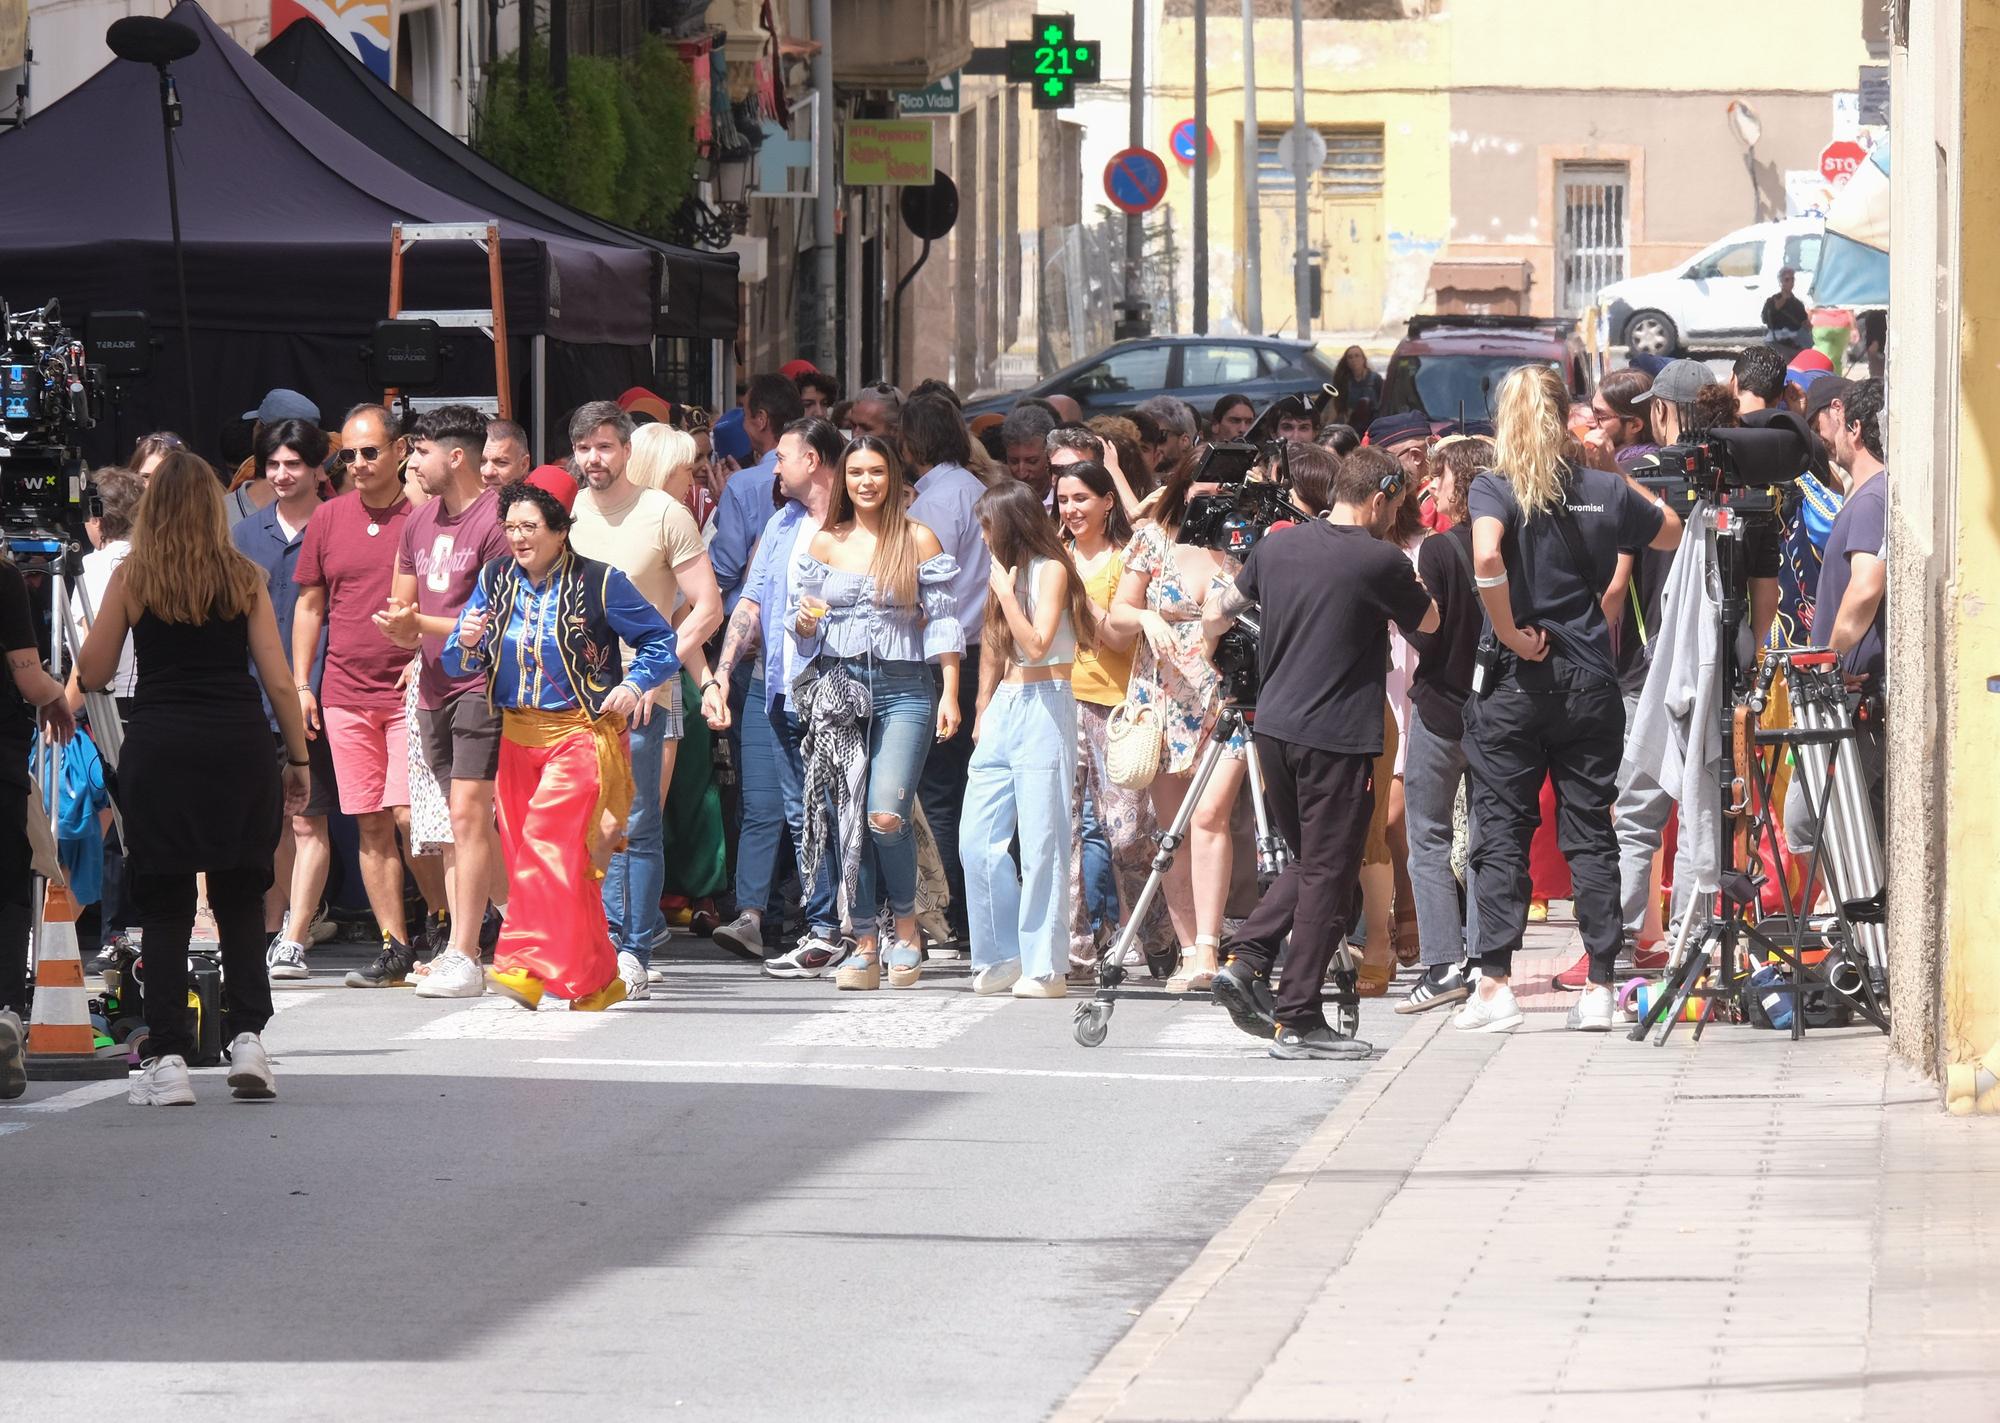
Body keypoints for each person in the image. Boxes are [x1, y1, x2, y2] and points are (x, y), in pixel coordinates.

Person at [1455, 365, 1683, 1036]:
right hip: (1588, 677)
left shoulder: (1493, 486)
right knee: (1590, 832)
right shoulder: (1601, 488)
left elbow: (1487, 556)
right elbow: (1667, 528)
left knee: (1502, 830)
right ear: (1567, 416)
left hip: (1515, 681)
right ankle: (1600, 985)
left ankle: (1494, 982)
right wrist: (1610, 466)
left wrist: (1505, 630)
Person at [81, 454, 308, 1105]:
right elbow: (278, 679)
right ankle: (248, 1041)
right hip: (236, 746)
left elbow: (94, 669)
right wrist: (297, 759)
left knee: (166, 903)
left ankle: (171, 1057)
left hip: (160, 747)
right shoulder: (244, 576)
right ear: (214, 507)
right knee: (240, 892)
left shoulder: (134, 576)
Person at [1203, 444, 1437, 1059]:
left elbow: (1223, 608)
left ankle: (1249, 964)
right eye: (1397, 504)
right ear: (1382, 496)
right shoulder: (1381, 559)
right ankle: (1295, 1013)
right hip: (1336, 735)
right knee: (1328, 871)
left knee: (1312, 865)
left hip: (1275, 726)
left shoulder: (1277, 545)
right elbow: (1432, 623)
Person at [442, 480, 679, 1011]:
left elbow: (661, 641)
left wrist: (636, 683)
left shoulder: (601, 582)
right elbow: (457, 666)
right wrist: (467, 640)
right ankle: (597, 980)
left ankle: (522, 963)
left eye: (530, 527)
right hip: (518, 741)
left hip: (581, 736)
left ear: (559, 529)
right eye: (511, 529)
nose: (519, 538)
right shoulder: (495, 578)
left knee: (545, 847)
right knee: (555, 863)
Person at [789, 435, 962, 991]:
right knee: (849, 819)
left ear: (893, 479)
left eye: (877, 472)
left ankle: (907, 932)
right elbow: (800, 625)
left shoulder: (917, 538)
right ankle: (864, 940)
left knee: (885, 814)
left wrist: (953, 691)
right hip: (840, 688)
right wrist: (807, 623)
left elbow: (943, 623)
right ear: (844, 480)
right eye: (857, 472)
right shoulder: (825, 542)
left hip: (905, 687)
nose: (866, 482)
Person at [567, 401, 723, 999]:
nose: (593, 458)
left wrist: (651, 673)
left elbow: (706, 608)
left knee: (634, 823)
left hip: (639, 695)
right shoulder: (571, 512)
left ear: (627, 451)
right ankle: (595, 943)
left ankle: (630, 948)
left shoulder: (664, 513)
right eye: (584, 448)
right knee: (582, 823)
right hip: (575, 698)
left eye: (604, 446)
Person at [367, 405, 512, 999]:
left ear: (456, 456)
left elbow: (497, 616)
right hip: (430, 687)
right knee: (457, 825)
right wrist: (401, 625)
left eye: (420, 451)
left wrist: (416, 625)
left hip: (481, 683)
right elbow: (404, 604)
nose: (412, 462)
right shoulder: (418, 521)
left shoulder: (498, 521)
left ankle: (464, 951)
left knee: (471, 815)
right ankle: (523, 928)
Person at [703, 417, 849, 975]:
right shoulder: (783, 523)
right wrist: (720, 674)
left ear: (812, 460)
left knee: (845, 808)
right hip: (779, 687)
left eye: (783, 457)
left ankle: (861, 924)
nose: (776, 467)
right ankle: (822, 927)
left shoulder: (856, 523)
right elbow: (751, 605)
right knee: (800, 811)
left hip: (839, 688)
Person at [293, 403, 421, 988]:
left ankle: (447, 930)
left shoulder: (423, 516)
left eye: (371, 451)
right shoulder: (328, 518)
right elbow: (310, 606)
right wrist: (301, 684)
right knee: (371, 822)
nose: (360, 463)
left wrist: (423, 655)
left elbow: (449, 599)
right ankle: (396, 945)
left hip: (408, 691)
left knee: (411, 817)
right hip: (343, 690)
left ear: (400, 450)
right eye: (349, 454)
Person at [1107, 457, 1246, 992]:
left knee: (1210, 816)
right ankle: (1190, 949)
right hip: (1160, 697)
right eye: (1204, 484)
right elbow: (1118, 615)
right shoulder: (1151, 540)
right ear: (1182, 488)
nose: (1212, 495)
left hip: (1223, 693)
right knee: (1175, 832)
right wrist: (1144, 616)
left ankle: (1210, 946)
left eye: (1222, 486)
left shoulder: (1241, 543)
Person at [963, 480, 1096, 998]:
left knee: (1043, 840)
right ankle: (1001, 954)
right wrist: (980, 709)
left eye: (987, 526)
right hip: (1005, 708)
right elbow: (995, 647)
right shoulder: (1006, 575)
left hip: (1046, 702)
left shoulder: (1052, 569)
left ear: (1009, 524)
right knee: (977, 839)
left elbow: (1037, 643)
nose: (981, 536)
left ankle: (1045, 965)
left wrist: (1003, 594)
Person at [1057, 458, 1176, 976]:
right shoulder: (1054, 556)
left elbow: (1117, 636)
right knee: (1063, 829)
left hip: (1119, 709)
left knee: (1126, 833)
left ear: (1108, 502)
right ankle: (1078, 948)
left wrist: (1072, 588)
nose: (1071, 509)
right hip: (1060, 701)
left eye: (1081, 498)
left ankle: (1157, 932)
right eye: (1063, 500)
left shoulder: (1127, 560)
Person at [231, 423, 337, 981]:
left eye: (293, 464)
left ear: (319, 469)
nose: (281, 475)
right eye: (272, 464)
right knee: (265, 823)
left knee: (308, 819)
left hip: (320, 696)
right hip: (252, 697)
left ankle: (295, 932)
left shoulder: (338, 522)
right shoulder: (246, 535)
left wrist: (311, 686)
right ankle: (271, 931)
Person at [1396, 437, 1490, 1013]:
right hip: (1495, 708)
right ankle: (1483, 959)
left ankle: (1441, 962)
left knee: (1427, 836)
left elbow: (1424, 627)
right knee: (1486, 836)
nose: (1434, 487)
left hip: (1438, 704)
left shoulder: (1438, 549)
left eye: (1443, 478)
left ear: (1461, 485)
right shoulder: (1510, 544)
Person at [903, 395, 991, 953]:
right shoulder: (977, 491)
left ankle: (948, 910)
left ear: (912, 445)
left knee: (937, 789)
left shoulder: (934, 502)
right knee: (960, 787)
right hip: (979, 649)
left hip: (944, 654)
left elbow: (922, 584)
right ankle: (959, 910)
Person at [1790, 376, 1887, 844]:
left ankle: (1850, 913)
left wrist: (1825, 659)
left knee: (1809, 821)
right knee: (1820, 822)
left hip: (1846, 691)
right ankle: (1847, 910)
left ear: (1856, 429)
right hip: (1838, 690)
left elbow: (1867, 587)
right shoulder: (1865, 495)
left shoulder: (1872, 499)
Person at [0, 545, 74, 1097]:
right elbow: (28, 679)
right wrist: (56, 696)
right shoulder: (3, 579)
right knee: (5, 892)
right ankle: (4, 1013)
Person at [711, 373, 806, 612]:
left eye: (744, 414)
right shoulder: (819, 473)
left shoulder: (742, 486)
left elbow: (724, 570)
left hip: (751, 619)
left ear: (761, 419)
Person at [1000, 402, 1057, 502]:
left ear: (1051, 454)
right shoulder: (1002, 501)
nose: (1022, 473)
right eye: (1014, 461)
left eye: (1032, 461)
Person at [1136, 396, 1197, 478]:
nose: (1151, 446)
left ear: (1184, 441)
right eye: (1146, 438)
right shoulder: (1136, 483)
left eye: (1159, 437)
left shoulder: (1201, 484)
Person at [1333, 346, 1384, 430]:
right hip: (1353, 427)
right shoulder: (1345, 381)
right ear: (1347, 362)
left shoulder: (1375, 379)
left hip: (1374, 426)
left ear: (1363, 359)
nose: (1354, 360)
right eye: (1350, 357)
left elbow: (1384, 402)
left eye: (1357, 356)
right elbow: (1340, 407)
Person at [1762, 267, 1811, 350]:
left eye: (1792, 279)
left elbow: (1804, 322)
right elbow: (1765, 318)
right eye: (1787, 280)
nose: (1790, 282)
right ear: (1781, 282)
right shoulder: (1772, 300)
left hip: (1795, 339)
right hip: (1776, 339)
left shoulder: (1798, 303)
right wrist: (1782, 300)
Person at [481, 418, 531, 492]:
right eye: (481, 461)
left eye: (502, 462)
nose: (488, 472)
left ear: (524, 465)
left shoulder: (537, 502)